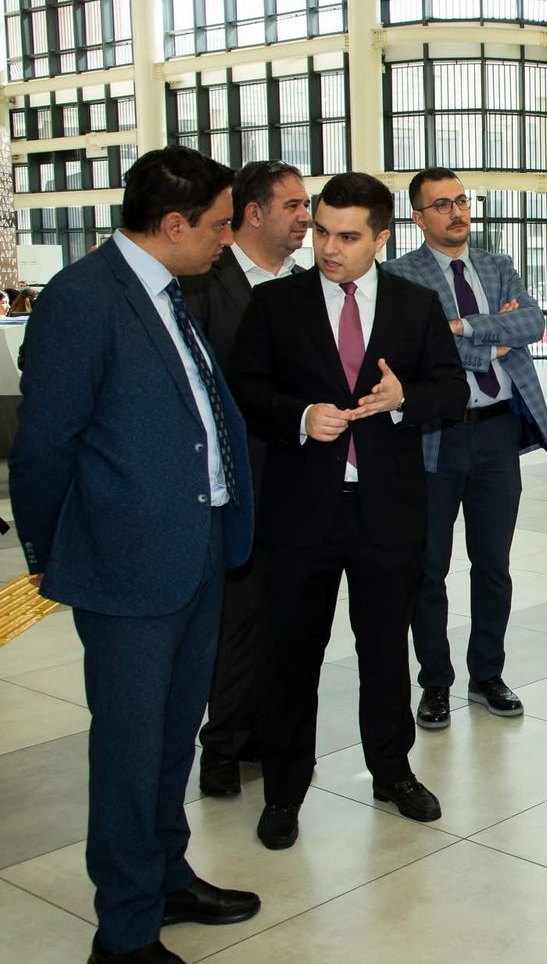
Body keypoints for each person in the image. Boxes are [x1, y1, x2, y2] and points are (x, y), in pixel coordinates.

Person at [10, 145, 260, 964]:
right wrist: (50, 551)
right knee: (128, 746)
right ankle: (124, 931)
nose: (227, 238)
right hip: (126, 562)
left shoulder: (170, 289)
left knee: (173, 733)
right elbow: (44, 446)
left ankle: (165, 876)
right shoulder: (84, 299)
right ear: (174, 224)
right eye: (219, 225)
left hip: (196, 546)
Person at [228, 171, 468, 850]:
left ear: (381, 238)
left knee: (385, 651)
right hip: (300, 514)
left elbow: (451, 391)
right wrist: (300, 415)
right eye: (321, 232)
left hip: (387, 511)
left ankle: (392, 772)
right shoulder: (277, 304)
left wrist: (403, 399)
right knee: (291, 656)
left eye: (348, 237)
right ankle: (283, 792)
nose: (328, 248)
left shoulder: (415, 306)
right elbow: (244, 389)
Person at [383, 167, 547, 730]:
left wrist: (459, 328)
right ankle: (435, 682)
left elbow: (532, 323)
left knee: (493, 565)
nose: (457, 212)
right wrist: (492, 341)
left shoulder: (497, 264)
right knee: (429, 568)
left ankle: (487, 674)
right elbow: (417, 352)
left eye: (461, 201)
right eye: (442, 205)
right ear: (417, 217)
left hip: (497, 433)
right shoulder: (399, 275)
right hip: (435, 437)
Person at [182, 160, 309, 799]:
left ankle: (265, 731)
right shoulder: (205, 285)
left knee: (288, 616)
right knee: (238, 618)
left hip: (301, 476)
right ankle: (223, 745)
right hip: (238, 478)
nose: (306, 217)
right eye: (293, 206)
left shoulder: (309, 286)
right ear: (253, 213)